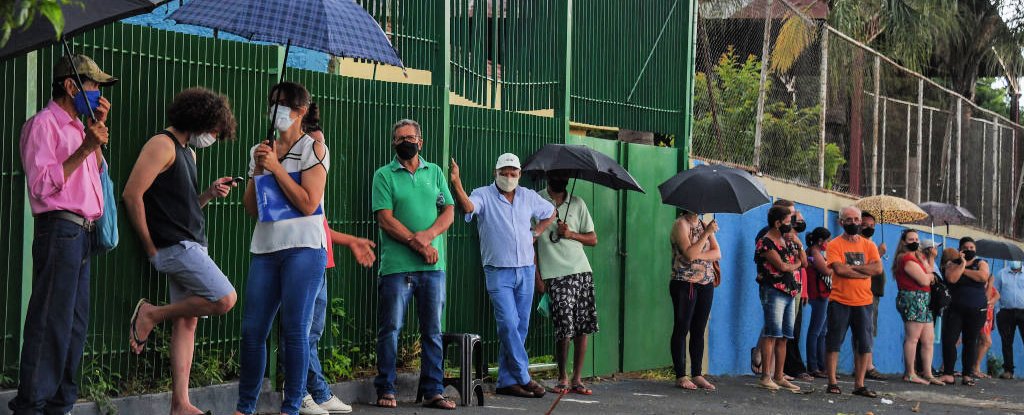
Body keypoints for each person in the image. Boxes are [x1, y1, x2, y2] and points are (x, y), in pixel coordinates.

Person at [121, 88, 241, 415]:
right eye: (214, 129)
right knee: (225, 298)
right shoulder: (162, 145)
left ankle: (180, 404)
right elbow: (132, 195)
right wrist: (150, 247)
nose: (214, 136)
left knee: (187, 321)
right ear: (198, 119)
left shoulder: (189, 152)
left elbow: (182, 206)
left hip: (191, 242)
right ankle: (151, 314)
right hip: (176, 247)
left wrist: (207, 194)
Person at [10, 54, 116, 415]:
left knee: (74, 327)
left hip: (82, 235)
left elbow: (97, 174)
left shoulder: (79, 127)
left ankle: (61, 405)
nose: (98, 92)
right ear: (71, 86)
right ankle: (31, 406)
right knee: (50, 322)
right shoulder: (43, 125)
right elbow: (40, 186)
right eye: (92, 86)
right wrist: (85, 146)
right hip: (59, 230)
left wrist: (95, 133)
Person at [235, 82, 329, 415]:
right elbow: (251, 208)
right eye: (272, 102)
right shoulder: (260, 149)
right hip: (266, 247)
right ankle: (244, 407)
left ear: (301, 111)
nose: (275, 109)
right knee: (251, 331)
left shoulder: (313, 149)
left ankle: (291, 407)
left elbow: (308, 203)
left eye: (282, 103)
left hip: (304, 248)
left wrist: (276, 168)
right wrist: (261, 167)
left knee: (294, 330)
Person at [449, 153, 556, 398]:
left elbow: (551, 211)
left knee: (520, 328)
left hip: (526, 269)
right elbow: (468, 207)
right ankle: (524, 376)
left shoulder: (528, 196)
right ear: (495, 173)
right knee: (508, 324)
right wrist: (457, 183)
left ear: (519, 175)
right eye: (504, 173)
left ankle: (507, 382)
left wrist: (537, 231)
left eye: (513, 174)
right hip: (498, 270)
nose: (509, 178)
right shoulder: (484, 194)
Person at [370, 119, 456, 410]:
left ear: (420, 141)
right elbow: (385, 218)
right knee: (390, 329)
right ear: (393, 143)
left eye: (409, 137)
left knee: (432, 330)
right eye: (398, 138)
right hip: (397, 267)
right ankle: (386, 388)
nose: (403, 142)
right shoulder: (384, 175)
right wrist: (418, 244)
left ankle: (434, 390)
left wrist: (429, 236)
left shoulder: (435, 173)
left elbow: (448, 211)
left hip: (433, 267)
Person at [299, 104, 374, 415]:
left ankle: (316, 391)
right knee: (300, 332)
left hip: (322, 258)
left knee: (312, 333)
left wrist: (350, 241)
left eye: (324, 144)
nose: (323, 152)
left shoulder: (317, 177)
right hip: (304, 257)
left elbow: (322, 224)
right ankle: (303, 392)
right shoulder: (296, 173)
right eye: (318, 145)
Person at [535, 171, 600, 395]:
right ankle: (562, 377)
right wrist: (538, 277)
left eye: (564, 174)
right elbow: (530, 241)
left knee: (583, 326)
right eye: (556, 174)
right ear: (547, 176)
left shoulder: (578, 203)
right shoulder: (537, 200)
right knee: (564, 326)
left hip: (581, 270)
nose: (559, 178)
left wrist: (570, 234)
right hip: (554, 273)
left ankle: (577, 379)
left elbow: (593, 239)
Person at [824, 206, 882, 398]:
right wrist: (864, 270)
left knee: (864, 344)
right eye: (849, 220)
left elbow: (878, 270)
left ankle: (859, 384)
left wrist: (853, 269)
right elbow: (839, 270)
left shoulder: (869, 246)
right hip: (840, 300)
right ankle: (832, 382)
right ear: (841, 222)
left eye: (857, 219)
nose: (854, 223)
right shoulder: (834, 245)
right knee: (834, 342)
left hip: (864, 302)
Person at [751, 199, 806, 377]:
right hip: (774, 290)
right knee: (772, 333)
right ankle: (767, 375)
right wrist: (795, 264)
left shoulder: (789, 240)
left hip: (790, 291)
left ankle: (779, 375)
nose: (791, 225)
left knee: (785, 336)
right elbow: (782, 266)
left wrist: (798, 244)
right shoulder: (766, 241)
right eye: (789, 221)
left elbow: (803, 263)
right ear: (777, 222)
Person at [668, 210, 720, 391]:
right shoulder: (680, 225)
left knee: (699, 329)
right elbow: (688, 255)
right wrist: (706, 235)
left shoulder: (705, 224)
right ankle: (681, 375)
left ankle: (697, 374)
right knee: (682, 327)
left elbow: (717, 253)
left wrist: (699, 252)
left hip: (706, 282)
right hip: (685, 282)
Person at [891, 230, 943, 386]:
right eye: (910, 239)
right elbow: (924, 280)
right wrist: (929, 276)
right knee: (913, 337)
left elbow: (931, 272)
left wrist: (932, 258)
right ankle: (910, 373)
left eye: (916, 239)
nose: (914, 241)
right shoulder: (905, 258)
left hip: (924, 299)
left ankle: (927, 373)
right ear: (904, 242)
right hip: (913, 297)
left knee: (929, 338)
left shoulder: (919, 256)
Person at [938, 238, 990, 387]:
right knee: (949, 340)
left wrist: (964, 270)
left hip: (976, 309)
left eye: (972, 247)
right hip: (955, 309)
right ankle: (948, 373)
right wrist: (961, 263)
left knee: (970, 341)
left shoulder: (981, 263)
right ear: (960, 249)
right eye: (966, 247)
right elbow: (952, 279)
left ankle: (967, 374)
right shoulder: (951, 263)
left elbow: (983, 276)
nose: (969, 249)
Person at [860, 211, 888, 381]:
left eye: (872, 226)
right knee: (865, 328)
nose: (869, 228)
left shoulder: (870, 243)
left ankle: (868, 363)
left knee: (870, 329)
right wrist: (879, 253)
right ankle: (866, 366)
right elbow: (863, 266)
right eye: (865, 225)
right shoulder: (859, 243)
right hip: (864, 291)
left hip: (874, 291)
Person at [804, 227, 832, 378]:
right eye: (827, 241)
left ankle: (821, 366)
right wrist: (838, 265)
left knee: (822, 332)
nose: (828, 243)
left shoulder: (815, 252)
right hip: (817, 294)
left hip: (822, 294)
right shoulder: (814, 252)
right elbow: (827, 271)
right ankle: (813, 366)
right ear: (820, 241)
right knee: (816, 331)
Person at [994, 260, 1024, 379]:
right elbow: (995, 291)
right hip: (1006, 312)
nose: (1014, 261)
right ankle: (1008, 370)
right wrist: (998, 310)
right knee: (1006, 341)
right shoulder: (1001, 273)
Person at [971, 281, 1000, 379]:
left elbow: (997, 295)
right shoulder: (979, 284)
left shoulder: (987, 284)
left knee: (980, 342)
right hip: (981, 315)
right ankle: (975, 367)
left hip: (988, 317)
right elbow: (986, 298)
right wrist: (991, 282)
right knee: (987, 342)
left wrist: (991, 301)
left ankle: (975, 368)